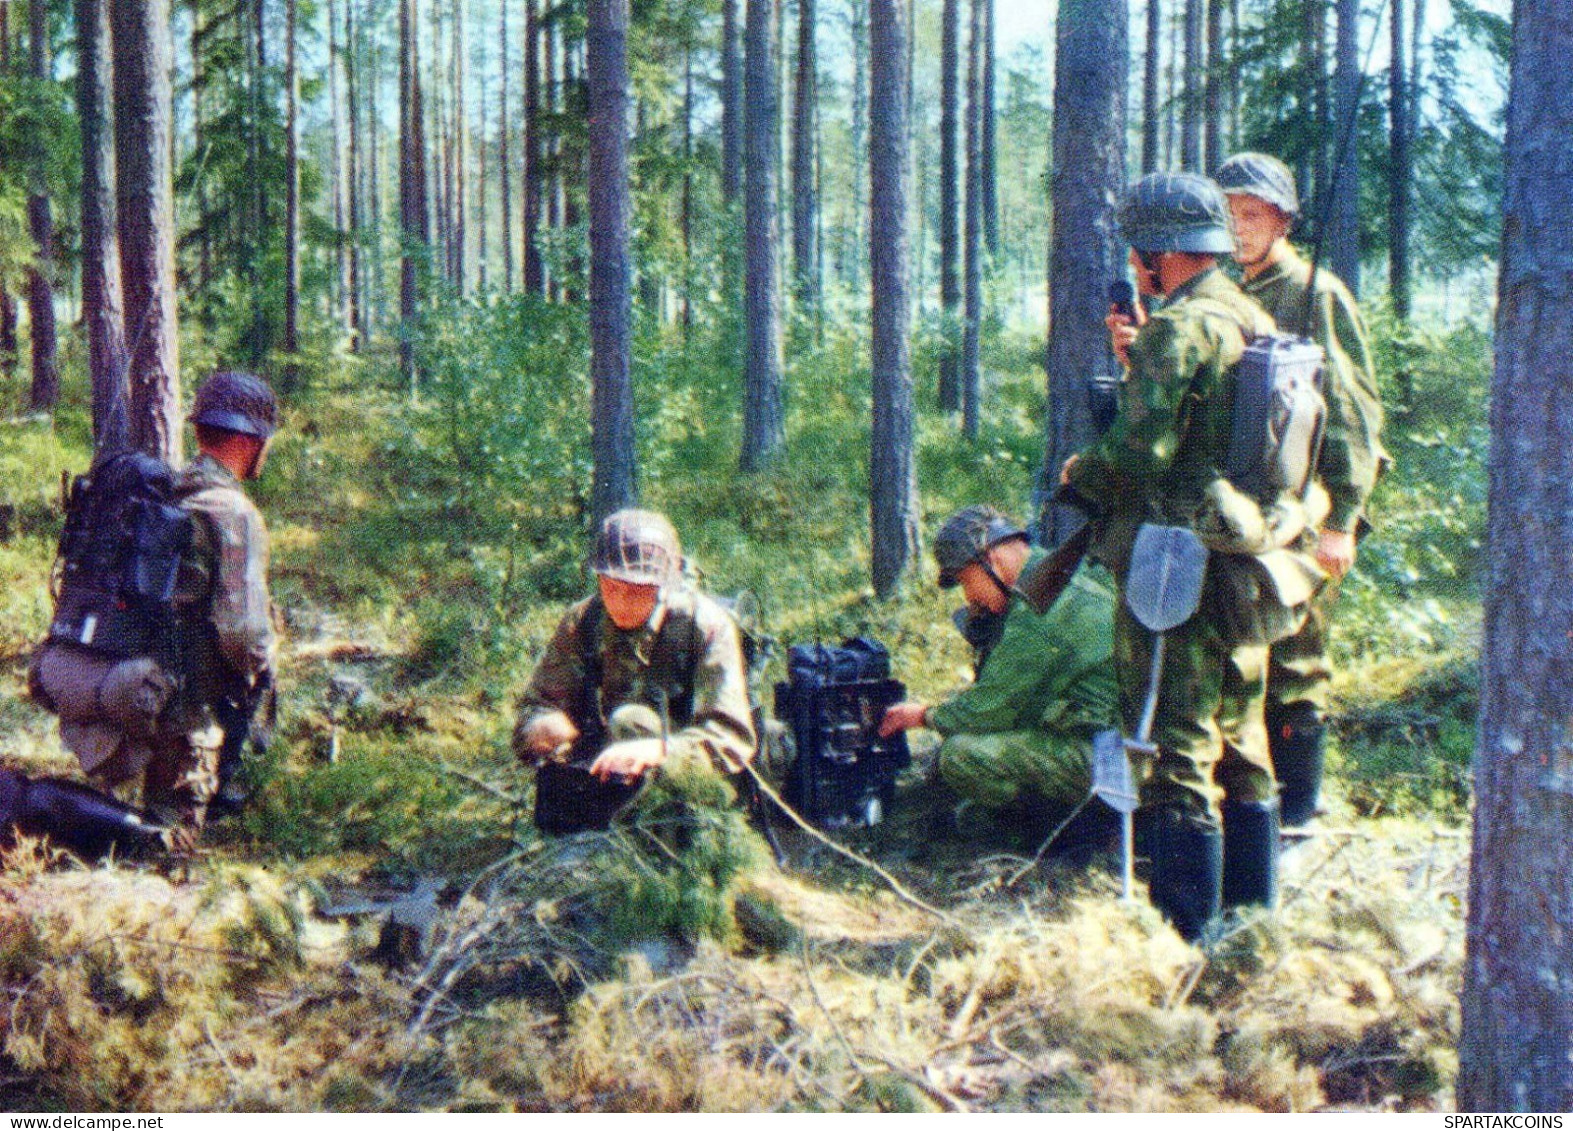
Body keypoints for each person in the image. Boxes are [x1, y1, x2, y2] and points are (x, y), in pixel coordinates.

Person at [1059, 172, 1296, 941]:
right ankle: (1251, 921)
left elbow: (1141, 453)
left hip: (1174, 562)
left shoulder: (1179, 327)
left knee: (1175, 740)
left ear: (1159, 254)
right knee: (1242, 733)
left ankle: (1187, 936)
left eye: (1139, 253)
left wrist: (1079, 473)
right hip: (1240, 554)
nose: (1134, 268)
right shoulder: (1247, 314)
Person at [1216, 151, 1389, 828]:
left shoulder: (1314, 292)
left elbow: (1351, 409)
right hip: (1251, 506)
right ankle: (1256, 804)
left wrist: (1342, 517)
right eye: (1228, 215)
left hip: (1307, 502)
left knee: (1296, 653)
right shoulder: (1232, 293)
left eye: (1252, 215)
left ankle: (1299, 814)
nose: (1239, 229)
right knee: (1246, 649)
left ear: (1283, 220)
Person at [41, 371, 280, 852]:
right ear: (251, 440)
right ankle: (34, 811)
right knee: (169, 844)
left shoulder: (160, 495)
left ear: (199, 430)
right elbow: (246, 637)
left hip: (122, 687)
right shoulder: (231, 512)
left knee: (140, 822)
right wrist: (257, 680)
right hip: (179, 717)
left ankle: (64, 813)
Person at [878, 506, 1118, 843]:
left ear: (990, 559)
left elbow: (989, 710)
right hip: (1124, 740)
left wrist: (922, 716)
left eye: (965, 580)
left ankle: (1068, 832)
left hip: (1111, 759)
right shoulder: (1059, 571)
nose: (969, 597)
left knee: (960, 756)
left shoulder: (1042, 607)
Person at [513, 509, 756, 797]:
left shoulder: (706, 626)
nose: (620, 600)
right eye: (610, 585)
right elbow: (539, 703)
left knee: (630, 721)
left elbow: (731, 738)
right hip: (606, 768)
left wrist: (662, 751)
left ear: (662, 588)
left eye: (636, 590)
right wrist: (544, 725)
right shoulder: (584, 619)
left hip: (689, 771)